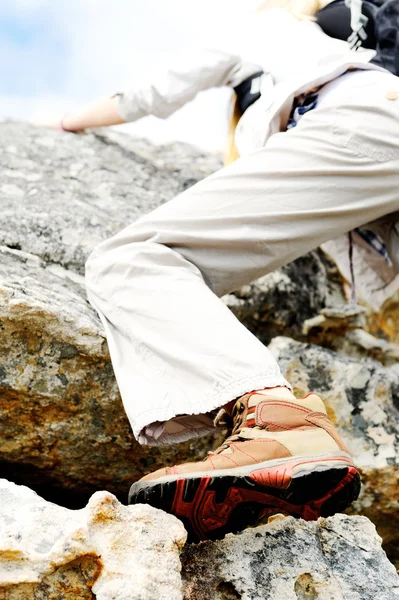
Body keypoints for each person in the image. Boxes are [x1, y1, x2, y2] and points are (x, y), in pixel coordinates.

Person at [42, 0, 399, 542]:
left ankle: (279, 421)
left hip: (366, 125)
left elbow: (150, 94)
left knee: (133, 258)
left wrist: (66, 122)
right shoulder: (359, 40)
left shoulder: (266, 26)